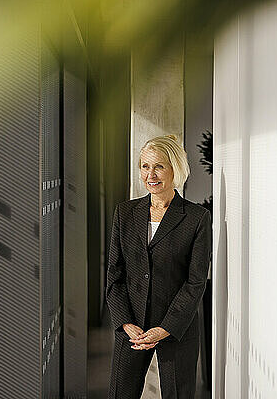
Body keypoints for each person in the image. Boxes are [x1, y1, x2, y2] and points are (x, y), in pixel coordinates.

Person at [107, 135, 211, 399]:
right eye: (144, 166)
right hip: (133, 327)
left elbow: (195, 281)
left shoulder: (196, 218)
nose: (150, 174)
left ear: (175, 168)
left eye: (159, 167)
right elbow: (115, 274)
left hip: (176, 328)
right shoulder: (125, 213)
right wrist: (125, 323)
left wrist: (166, 328)